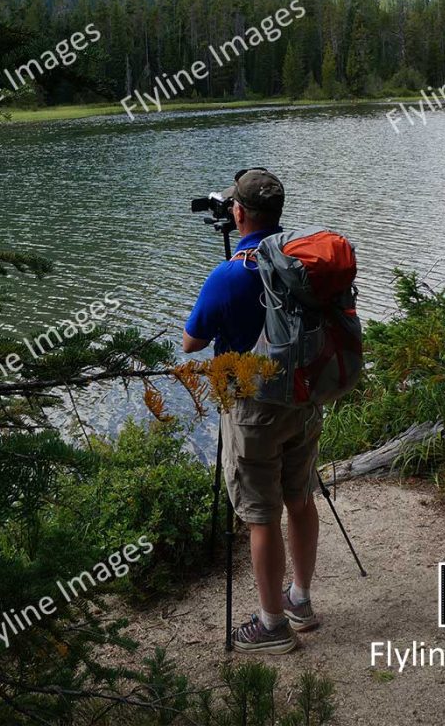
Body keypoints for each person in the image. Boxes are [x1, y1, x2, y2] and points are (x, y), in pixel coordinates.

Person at [183, 168, 323, 655]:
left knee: (261, 515)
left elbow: (191, 342)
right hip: (303, 398)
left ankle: (271, 625)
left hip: (252, 408)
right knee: (301, 497)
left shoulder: (227, 274)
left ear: (237, 213)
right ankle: (300, 601)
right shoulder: (300, 260)